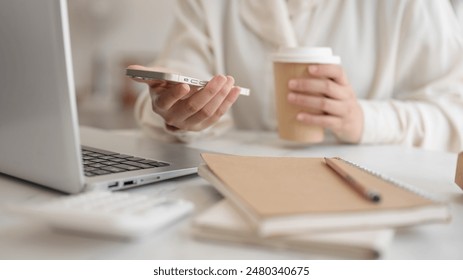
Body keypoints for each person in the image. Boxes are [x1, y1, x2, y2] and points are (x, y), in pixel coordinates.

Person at [131, 0, 463, 152]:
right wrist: (181, 114)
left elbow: (455, 118)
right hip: (236, 189)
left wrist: (363, 118)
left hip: (365, 195)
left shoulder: (416, 6)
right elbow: (177, 86)